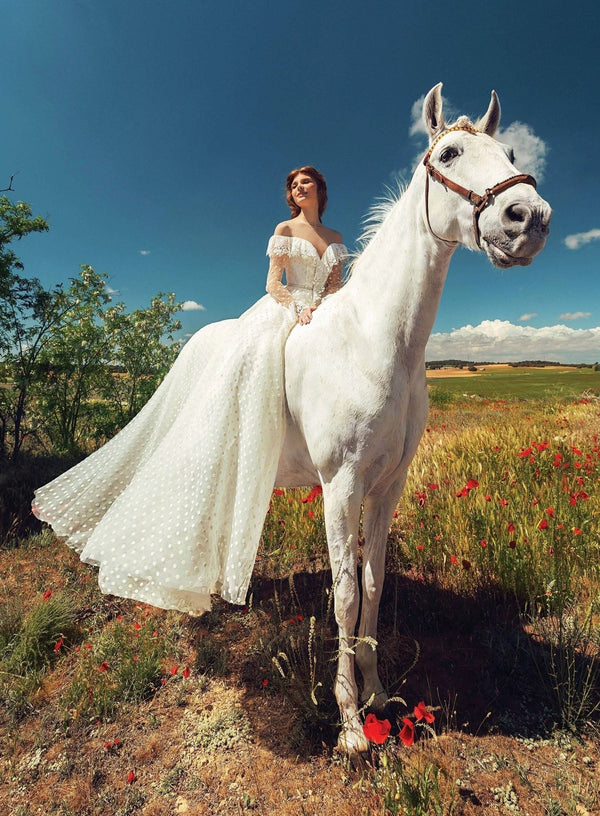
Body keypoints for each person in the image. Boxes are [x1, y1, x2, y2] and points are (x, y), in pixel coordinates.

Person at [32, 166, 347, 615]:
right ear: (291, 195)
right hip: (283, 310)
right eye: (294, 185)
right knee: (251, 362)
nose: (299, 189)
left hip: (321, 312)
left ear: (320, 189)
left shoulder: (334, 236)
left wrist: (321, 308)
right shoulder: (284, 229)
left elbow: (335, 287)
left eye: (306, 183)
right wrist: (298, 307)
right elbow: (272, 283)